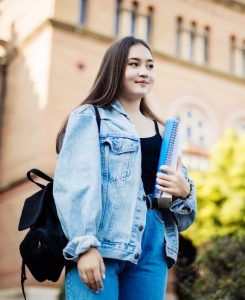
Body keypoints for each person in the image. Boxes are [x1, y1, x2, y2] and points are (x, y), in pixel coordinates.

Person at [53, 36, 196, 300]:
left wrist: (185, 191)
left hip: (154, 247)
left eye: (150, 66)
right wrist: (84, 246)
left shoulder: (164, 131)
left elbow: (185, 216)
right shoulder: (90, 117)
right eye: (134, 64)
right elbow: (74, 185)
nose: (144, 72)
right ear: (115, 68)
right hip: (102, 242)